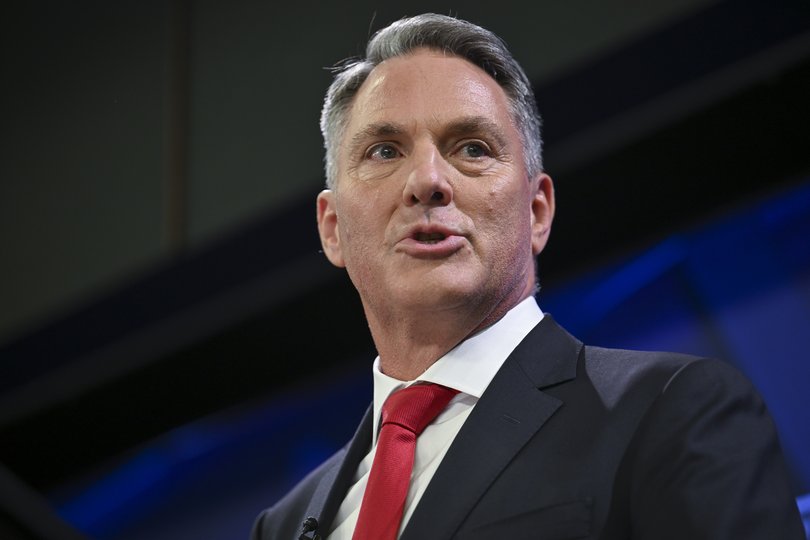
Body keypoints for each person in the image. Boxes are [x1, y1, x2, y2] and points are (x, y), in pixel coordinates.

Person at [251, 13, 805, 540]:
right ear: (333, 229)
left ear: (537, 211)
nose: (427, 180)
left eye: (472, 148)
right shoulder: (286, 522)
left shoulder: (672, 411)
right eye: (383, 150)